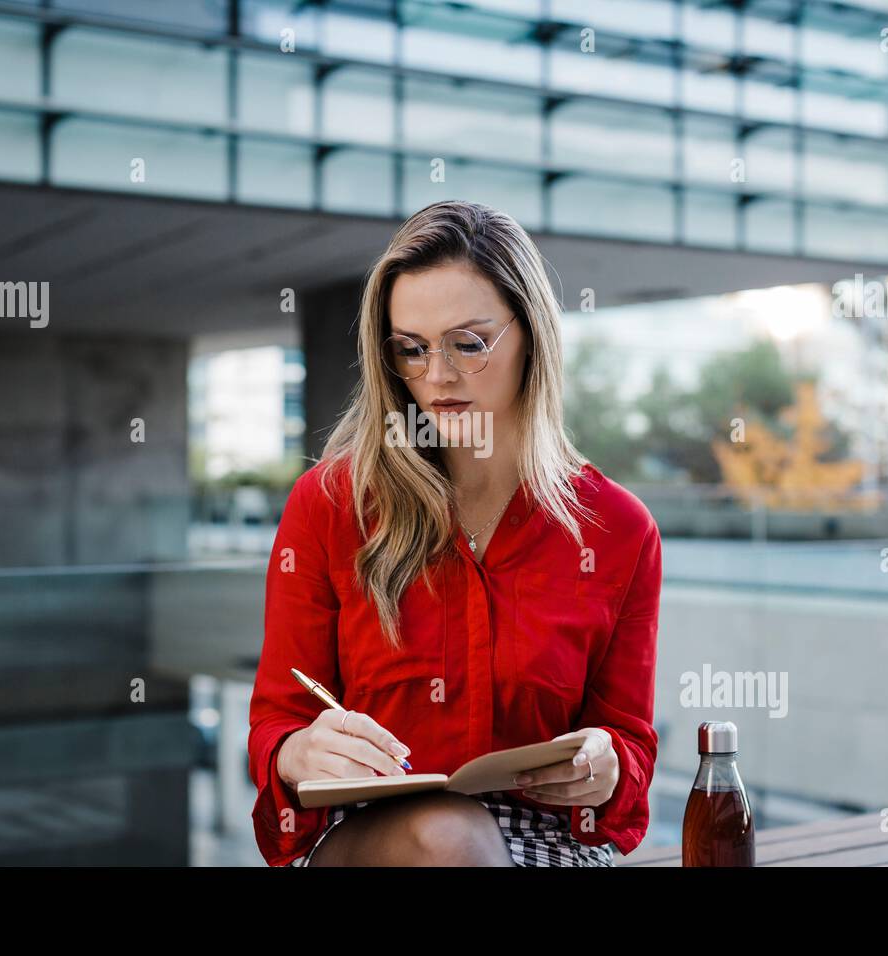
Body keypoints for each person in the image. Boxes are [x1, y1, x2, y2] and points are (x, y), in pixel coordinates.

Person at [247, 199, 662, 866]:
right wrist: (299, 751)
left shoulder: (617, 529)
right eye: (411, 349)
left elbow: (629, 744)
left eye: (469, 343)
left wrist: (607, 767)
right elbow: (276, 722)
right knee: (450, 839)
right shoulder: (330, 505)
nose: (436, 377)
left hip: (545, 845)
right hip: (370, 840)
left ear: (532, 334)